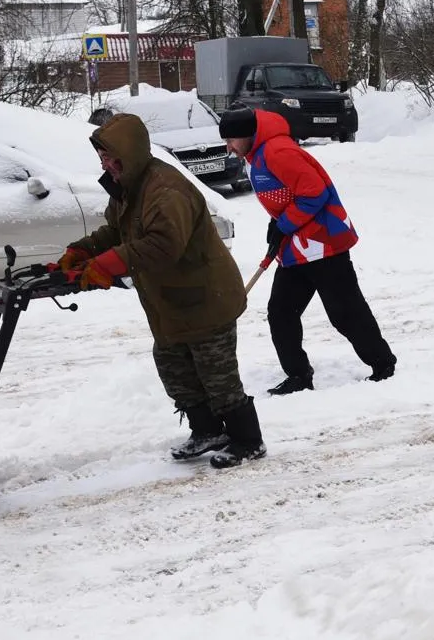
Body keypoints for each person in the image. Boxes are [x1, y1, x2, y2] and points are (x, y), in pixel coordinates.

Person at [56, 111, 266, 467]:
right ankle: (207, 430)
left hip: (206, 296)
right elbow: (118, 231)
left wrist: (107, 265)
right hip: (172, 300)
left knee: (217, 375)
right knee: (174, 367)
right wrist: (84, 251)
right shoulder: (128, 186)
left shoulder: (166, 190)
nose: (105, 164)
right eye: (102, 157)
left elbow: (163, 245)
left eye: (110, 157)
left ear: (129, 153)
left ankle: (248, 440)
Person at [218, 106, 396, 395]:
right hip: (296, 247)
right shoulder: (257, 155)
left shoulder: (278, 152)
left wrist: (284, 223)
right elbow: (287, 195)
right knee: (281, 312)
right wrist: (276, 223)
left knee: (345, 312)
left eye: (231, 140)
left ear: (249, 134)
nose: (229, 147)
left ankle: (383, 365)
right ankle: (299, 376)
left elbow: (315, 192)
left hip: (325, 243)